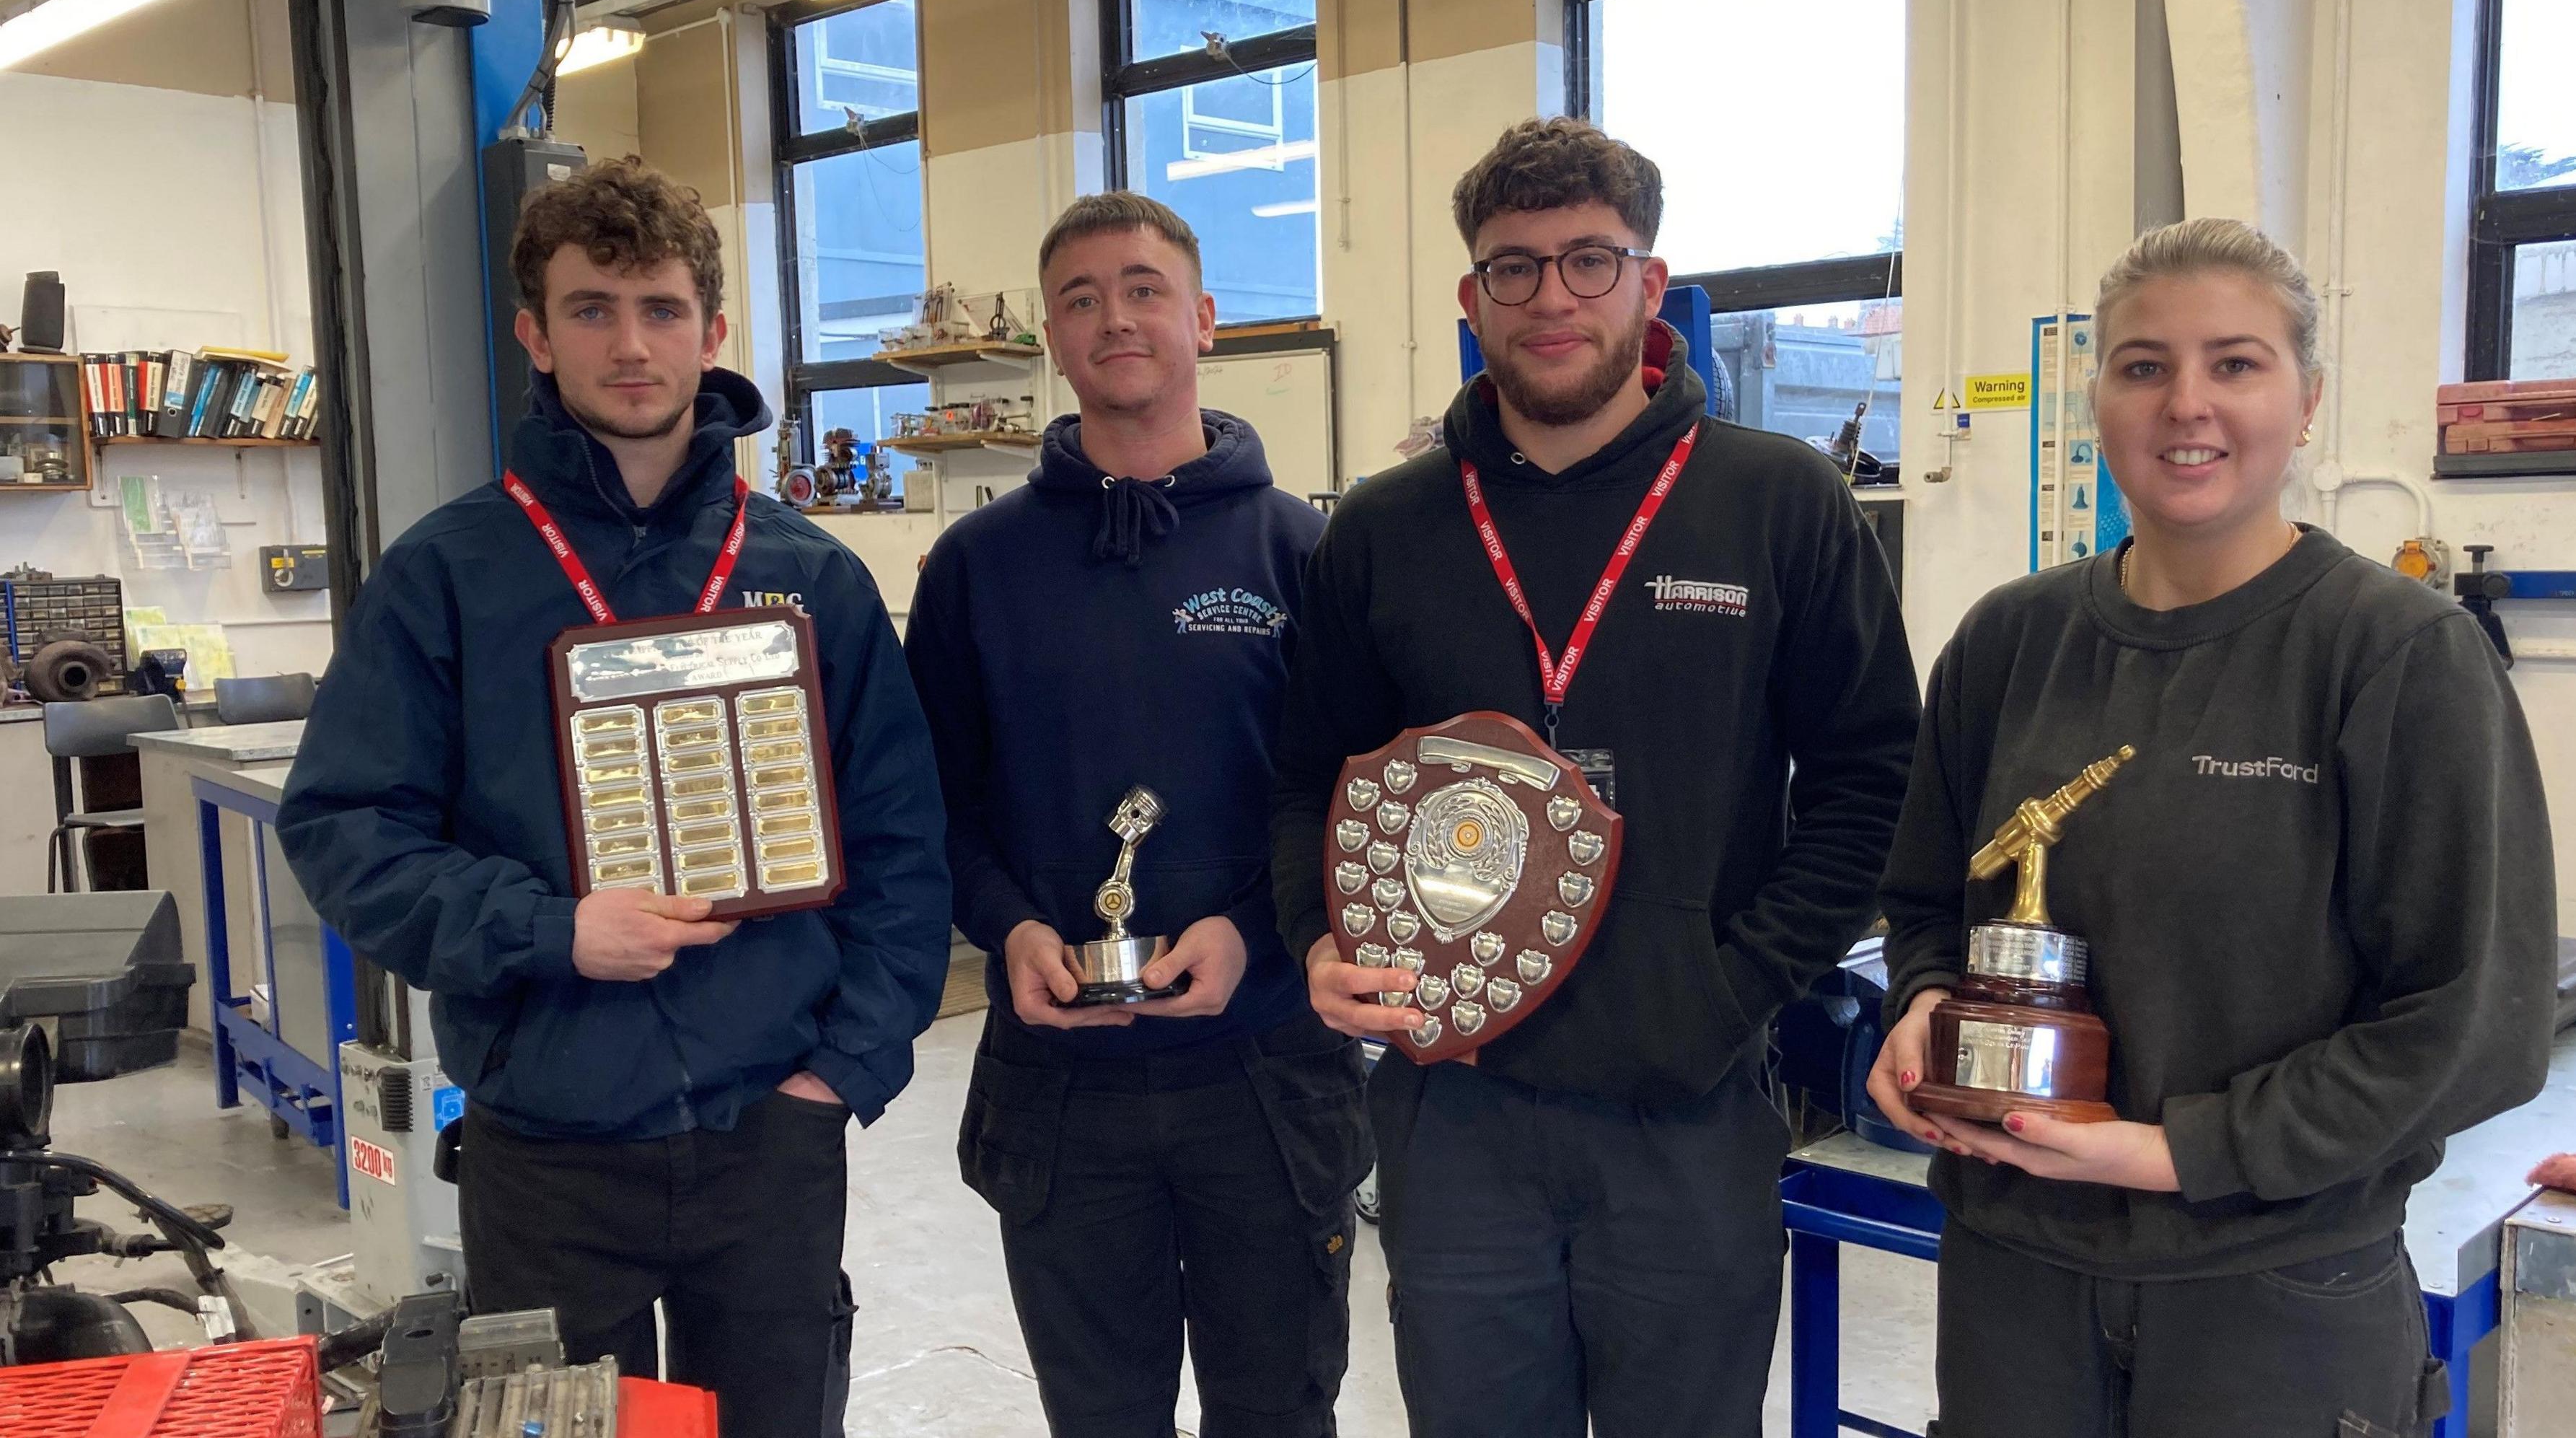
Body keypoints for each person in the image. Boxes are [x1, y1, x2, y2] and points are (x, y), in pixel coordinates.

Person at [277, 157, 950, 1437]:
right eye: (591, 310)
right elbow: (345, 829)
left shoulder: (813, 577)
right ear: (535, 332)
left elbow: (906, 847)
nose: (630, 346)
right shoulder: (447, 576)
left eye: (660, 308)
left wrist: (842, 1073)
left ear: (714, 328)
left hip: (773, 1131)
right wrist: (551, 931)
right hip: (546, 1145)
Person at [1270, 117, 1920, 1437]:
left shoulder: (1781, 504)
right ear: (1472, 298)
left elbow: (1872, 780)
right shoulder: (1387, 528)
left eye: (1589, 260)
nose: (1552, 298)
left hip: (1686, 1109)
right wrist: (1315, 935)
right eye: (1515, 268)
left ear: (1649, 283)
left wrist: (1732, 983)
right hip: (1456, 1110)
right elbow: (1304, 777)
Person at [1868, 217, 2557, 1437]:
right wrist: (1924, 1004)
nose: (2187, 404)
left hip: (2275, 1287)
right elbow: (1929, 899)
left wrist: (2173, 1153)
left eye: (2235, 363)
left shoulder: (2397, 656)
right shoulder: (2008, 642)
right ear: (2098, 400)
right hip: (2014, 1273)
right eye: (2144, 366)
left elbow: (2470, 1025)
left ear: (2307, 402)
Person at [906, 191, 1369, 1438]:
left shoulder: (1303, 553)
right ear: (1052, 340)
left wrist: (1261, 932)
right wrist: (1004, 926)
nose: (1115, 317)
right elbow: (935, 802)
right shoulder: (976, 569)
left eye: (1144, 288)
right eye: (1081, 298)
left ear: (1205, 319)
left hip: (1267, 1075)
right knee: (1098, 1418)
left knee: (1278, 1411)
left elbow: (1350, 800)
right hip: (1058, 1087)